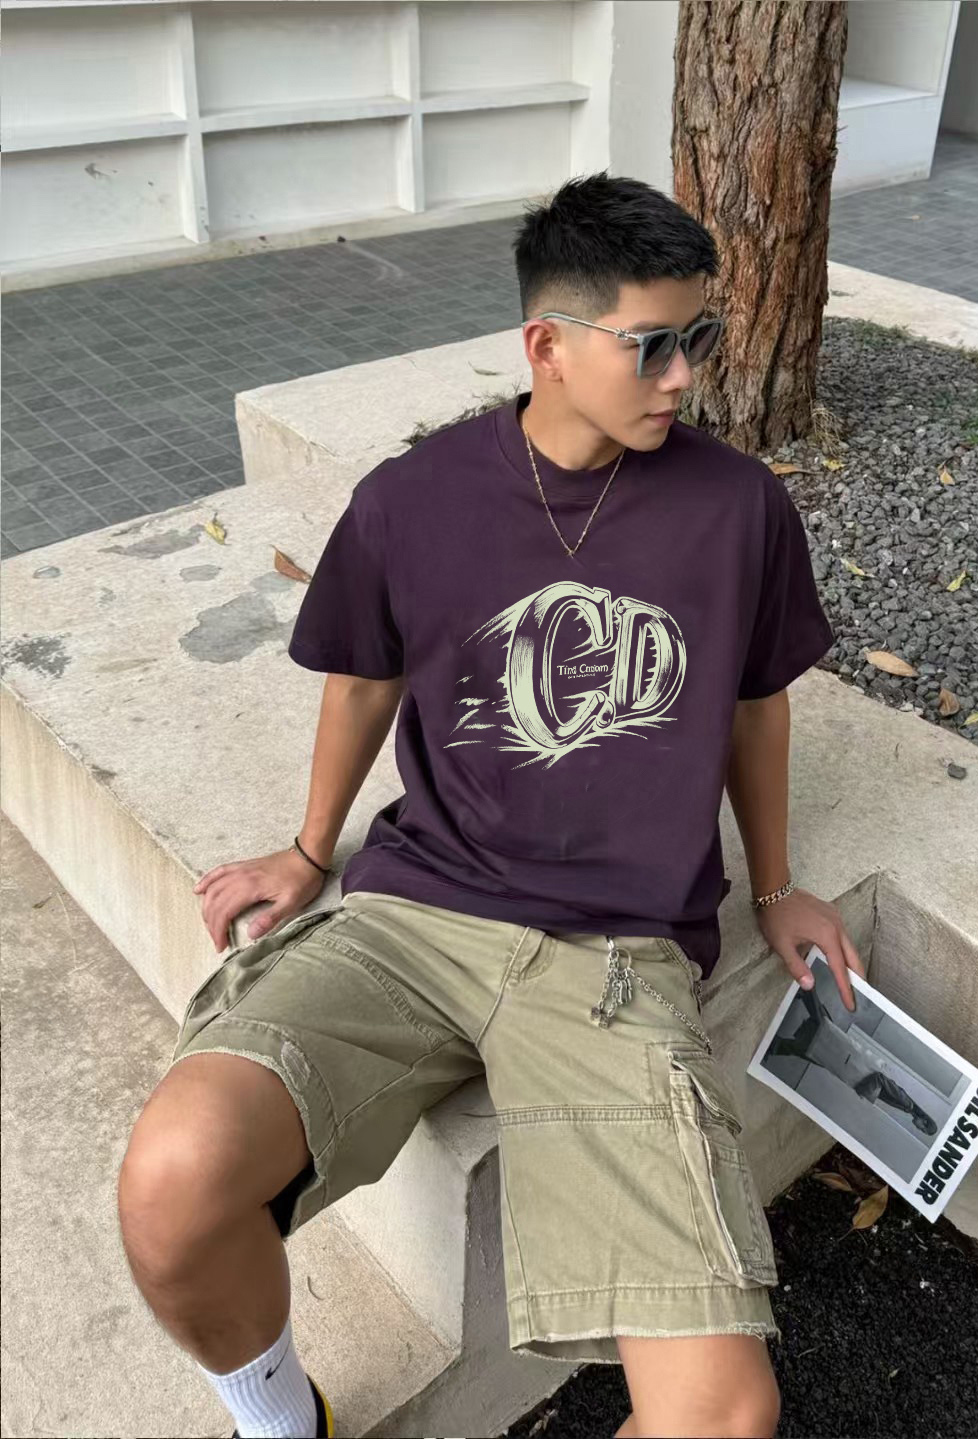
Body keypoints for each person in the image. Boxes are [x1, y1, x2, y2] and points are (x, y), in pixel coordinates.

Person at [117, 171, 865, 1439]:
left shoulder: (739, 507)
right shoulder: (413, 498)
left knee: (721, 1415)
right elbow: (365, 677)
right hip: (416, 916)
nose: (686, 375)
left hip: (616, 959)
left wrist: (779, 882)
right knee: (173, 1178)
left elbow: (755, 700)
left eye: (700, 337)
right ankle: (283, 1420)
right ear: (547, 346)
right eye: (653, 344)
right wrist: (308, 847)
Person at [768, 984, 938, 1135]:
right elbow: (880, 1079)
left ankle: (780, 1041)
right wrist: (865, 1092)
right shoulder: (907, 1104)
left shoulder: (908, 1108)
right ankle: (806, 993)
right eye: (923, 1128)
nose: (918, 1128)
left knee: (820, 1046)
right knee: (823, 1034)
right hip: (856, 1068)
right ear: (925, 1121)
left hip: (853, 1070)